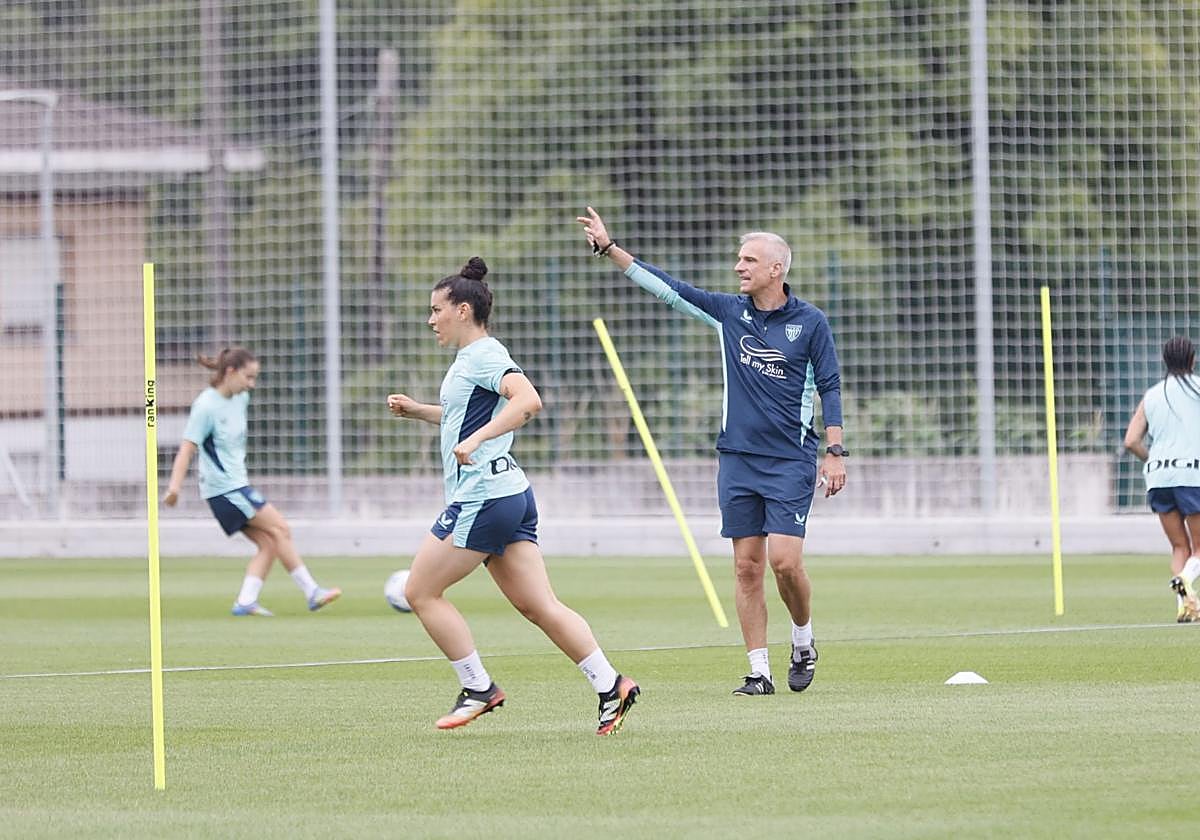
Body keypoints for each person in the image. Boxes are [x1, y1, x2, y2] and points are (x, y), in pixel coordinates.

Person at [576, 207, 847, 696]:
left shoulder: (810, 323)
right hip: (737, 460)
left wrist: (835, 451)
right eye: (738, 259)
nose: (739, 267)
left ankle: (803, 640)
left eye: (749, 260)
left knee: (785, 562)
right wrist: (610, 248)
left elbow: (829, 384)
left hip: (790, 460)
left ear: (775, 269)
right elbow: (669, 288)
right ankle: (758, 671)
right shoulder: (728, 313)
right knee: (746, 566)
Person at [387, 256, 639, 735]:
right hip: (511, 495)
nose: (430, 320)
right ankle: (611, 685)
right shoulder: (469, 361)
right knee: (539, 606)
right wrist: (419, 411)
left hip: (483, 496)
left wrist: (477, 442)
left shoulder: (484, 354)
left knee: (419, 591)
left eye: (436, 310)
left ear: (463, 311)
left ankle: (477, 686)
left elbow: (528, 400)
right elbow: (465, 419)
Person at [164, 347, 341, 617]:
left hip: (236, 485)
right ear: (230, 372)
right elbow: (187, 447)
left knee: (270, 543)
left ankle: (245, 601)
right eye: (248, 377)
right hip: (225, 489)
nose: (251, 384)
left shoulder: (241, 398)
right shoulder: (206, 405)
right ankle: (311, 591)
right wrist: (174, 488)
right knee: (280, 528)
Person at [1123, 336, 1200, 622]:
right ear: (1192, 360)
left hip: (1158, 477)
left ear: (1165, 361)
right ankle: (1184, 578)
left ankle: (1185, 606)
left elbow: (1131, 440)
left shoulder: (1152, 394)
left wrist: (1152, 460)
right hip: (1192, 474)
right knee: (1199, 548)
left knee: (1180, 546)